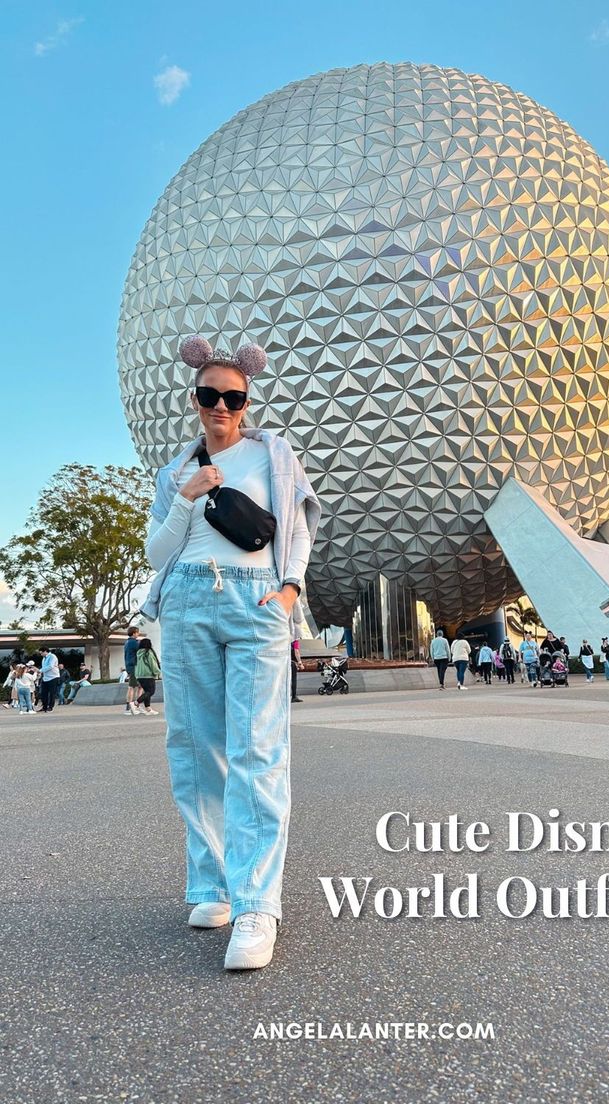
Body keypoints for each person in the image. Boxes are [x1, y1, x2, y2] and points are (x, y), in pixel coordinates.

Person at [142, 334, 320, 971]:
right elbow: (156, 557)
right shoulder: (173, 473)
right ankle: (212, 885)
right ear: (194, 399)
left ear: (247, 400)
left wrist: (289, 591)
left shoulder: (273, 455)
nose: (221, 405)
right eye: (209, 395)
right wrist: (188, 496)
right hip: (187, 603)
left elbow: (296, 532)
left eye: (233, 397)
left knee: (258, 750)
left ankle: (256, 906)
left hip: (256, 604)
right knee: (195, 748)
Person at [134, 638, 161, 715]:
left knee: (147, 692)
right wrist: (158, 672)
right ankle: (136, 702)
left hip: (139, 675)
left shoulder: (138, 653)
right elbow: (152, 664)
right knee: (151, 692)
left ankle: (148, 709)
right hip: (148, 675)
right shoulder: (148, 652)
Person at [124, 626, 142, 716]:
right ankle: (129, 708)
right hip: (134, 667)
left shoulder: (127, 642)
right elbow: (143, 651)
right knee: (133, 687)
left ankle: (135, 706)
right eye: (137, 632)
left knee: (139, 686)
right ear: (134, 633)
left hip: (130, 666)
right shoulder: (134, 642)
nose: (138, 634)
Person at [39, 647, 61, 713]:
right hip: (46, 678)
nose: (41, 654)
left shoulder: (52, 656)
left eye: (41, 653)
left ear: (45, 651)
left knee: (52, 693)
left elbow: (50, 666)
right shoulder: (43, 659)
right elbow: (44, 667)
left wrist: (40, 670)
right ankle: (44, 706)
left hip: (53, 677)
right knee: (43, 693)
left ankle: (50, 707)